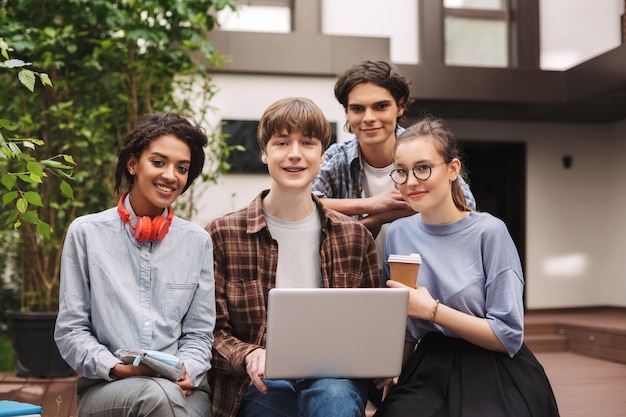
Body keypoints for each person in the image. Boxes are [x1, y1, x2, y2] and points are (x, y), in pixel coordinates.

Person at [206, 97, 380, 417]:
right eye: (282, 142)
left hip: (333, 376)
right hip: (257, 380)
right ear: (264, 152)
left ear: (322, 154)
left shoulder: (355, 238)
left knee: (335, 398)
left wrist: (380, 362)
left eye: (308, 143)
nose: (295, 154)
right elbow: (209, 332)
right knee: (272, 404)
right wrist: (248, 355)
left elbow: (372, 326)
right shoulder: (222, 234)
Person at [374, 116, 560, 416]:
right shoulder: (398, 232)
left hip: (493, 366)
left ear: (452, 169)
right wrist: (389, 385)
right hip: (428, 367)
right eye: (401, 172)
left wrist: (432, 311)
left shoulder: (490, 231)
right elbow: (407, 329)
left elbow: (508, 336)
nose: (410, 182)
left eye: (423, 168)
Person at [54, 112, 216, 417]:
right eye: (159, 162)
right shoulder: (86, 233)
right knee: (158, 398)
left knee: (168, 398)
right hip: (108, 386)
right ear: (133, 164)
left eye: (182, 168)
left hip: (185, 389)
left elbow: (199, 334)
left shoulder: (197, 242)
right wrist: (118, 368)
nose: (171, 175)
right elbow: (71, 330)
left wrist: (187, 372)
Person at [312, 59, 476, 271]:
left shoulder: (424, 149)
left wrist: (381, 218)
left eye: (380, 106)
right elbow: (304, 207)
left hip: (424, 278)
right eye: (358, 108)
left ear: (399, 106)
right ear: (346, 112)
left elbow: (466, 204)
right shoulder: (336, 158)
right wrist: (372, 205)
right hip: (354, 280)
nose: (369, 118)